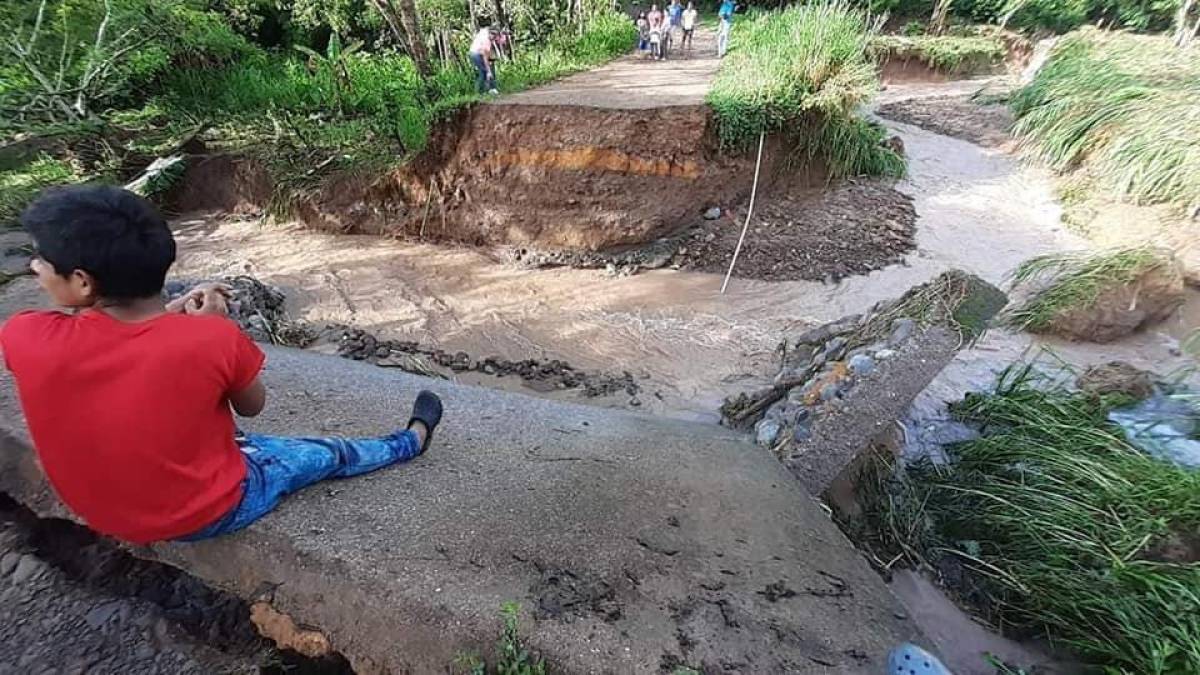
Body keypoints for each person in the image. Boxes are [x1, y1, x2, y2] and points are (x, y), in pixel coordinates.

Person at [0, 185, 445, 544]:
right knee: (324, 453)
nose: (36, 268)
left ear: (82, 282)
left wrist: (173, 318)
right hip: (203, 513)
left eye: (42, 260)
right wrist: (214, 329)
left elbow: (111, 340)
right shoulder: (211, 337)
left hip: (98, 509)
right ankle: (410, 441)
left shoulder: (23, 335)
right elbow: (252, 406)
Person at [469, 26, 500, 95]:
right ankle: (479, 92)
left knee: (487, 69)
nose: (493, 37)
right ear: (489, 33)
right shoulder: (487, 41)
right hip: (476, 54)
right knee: (483, 72)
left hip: (475, 52)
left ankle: (489, 89)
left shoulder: (484, 31)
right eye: (493, 34)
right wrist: (488, 71)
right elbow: (485, 58)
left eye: (495, 35)